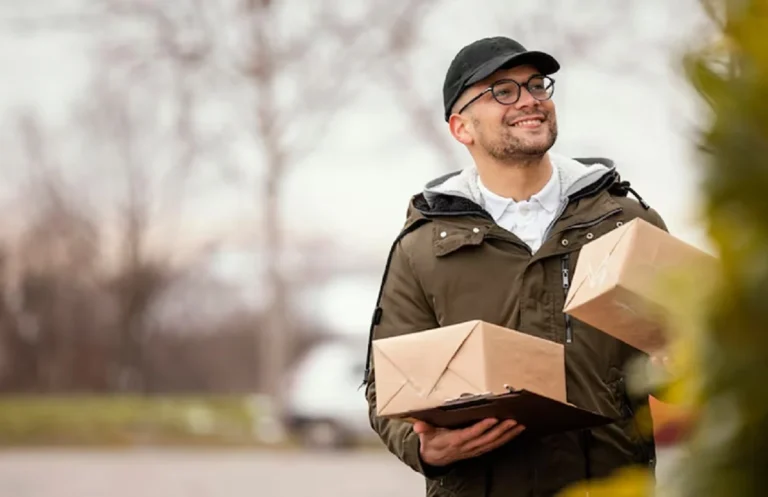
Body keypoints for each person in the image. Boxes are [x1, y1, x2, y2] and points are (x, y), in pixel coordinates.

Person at [362, 36, 667, 497]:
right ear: (461, 128)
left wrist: (684, 369)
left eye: (536, 86)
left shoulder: (626, 222)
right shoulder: (422, 248)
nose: (530, 100)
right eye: (502, 90)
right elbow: (385, 388)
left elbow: (689, 361)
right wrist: (427, 452)